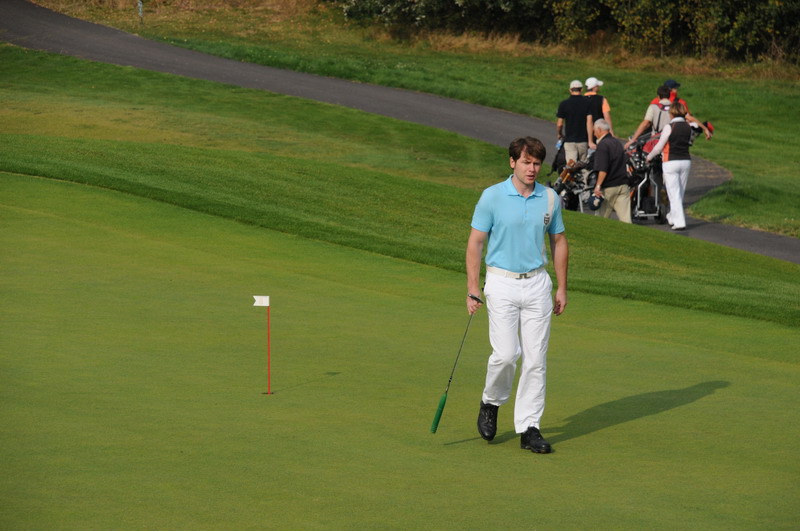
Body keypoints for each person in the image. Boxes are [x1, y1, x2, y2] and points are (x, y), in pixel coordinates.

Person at [466, 137, 569, 454]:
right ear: (513, 162)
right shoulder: (493, 196)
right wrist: (472, 287)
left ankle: (529, 427)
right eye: (526, 162)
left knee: (536, 360)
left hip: (537, 284)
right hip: (501, 282)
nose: (532, 169)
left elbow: (559, 241)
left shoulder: (549, 198)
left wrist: (562, 286)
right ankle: (491, 401)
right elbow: (476, 243)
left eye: (537, 163)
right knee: (506, 355)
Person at [645, 101, 693, 230]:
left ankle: (680, 222)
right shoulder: (688, 127)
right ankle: (672, 216)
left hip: (670, 161)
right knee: (680, 192)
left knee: (673, 193)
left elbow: (659, 147)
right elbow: (689, 141)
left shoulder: (669, 127)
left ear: (672, 113)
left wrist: (649, 157)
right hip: (685, 160)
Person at [592, 119, 631, 223]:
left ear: (599, 130)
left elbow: (603, 169)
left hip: (609, 188)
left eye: (594, 131)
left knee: (601, 220)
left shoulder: (603, 145)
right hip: (623, 185)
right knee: (626, 221)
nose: (594, 134)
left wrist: (598, 186)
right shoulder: (617, 142)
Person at [624, 85, 672, 150]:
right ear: (669, 96)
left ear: (658, 96)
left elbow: (645, 124)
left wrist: (633, 139)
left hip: (656, 141)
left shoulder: (653, 107)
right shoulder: (676, 108)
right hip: (671, 141)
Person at [556, 80, 591, 165]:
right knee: (583, 165)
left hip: (570, 140)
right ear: (581, 90)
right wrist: (590, 140)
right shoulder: (587, 103)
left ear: (570, 90)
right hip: (583, 140)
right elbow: (589, 122)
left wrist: (559, 134)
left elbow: (560, 124)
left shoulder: (564, 104)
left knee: (571, 166)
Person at [585, 77, 613, 148]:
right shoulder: (602, 99)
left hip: (583, 133)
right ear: (594, 88)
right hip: (598, 132)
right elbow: (607, 117)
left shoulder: (581, 100)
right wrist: (611, 132)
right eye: (597, 86)